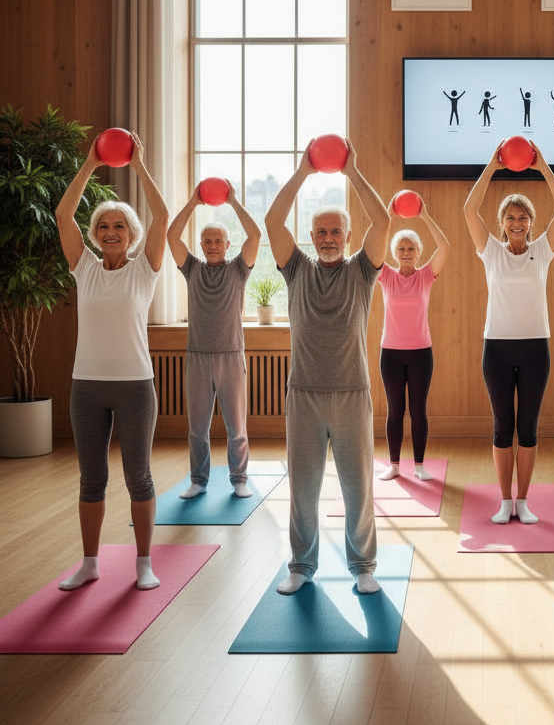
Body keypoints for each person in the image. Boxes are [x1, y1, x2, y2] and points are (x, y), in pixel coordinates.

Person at [264, 138, 390, 596]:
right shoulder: (295, 269)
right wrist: (303, 172)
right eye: (322, 232)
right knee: (303, 488)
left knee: (358, 489)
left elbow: (384, 220)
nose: (330, 238)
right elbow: (272, 221)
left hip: (352, 393)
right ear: (311, 238)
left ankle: (363, 566)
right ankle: (301, 564)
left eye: (337, 232)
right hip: (304, 395)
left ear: (348, 238)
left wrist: (352, 172)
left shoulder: (362, 272)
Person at [54, 132, 169, 591]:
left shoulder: (145, 269)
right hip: (87, 386)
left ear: (131, 235)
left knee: (137, 475)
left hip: (135, 385)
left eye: (119, 226)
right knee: (91, 478)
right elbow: (64, 214)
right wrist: (89, 165)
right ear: (96, 235)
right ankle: (90, 562)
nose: (111, 232)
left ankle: (143, 562)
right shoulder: (83, 267)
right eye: (104, 226)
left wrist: (137, 165)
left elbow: (162, 215)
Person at [464, 140, 554, 524]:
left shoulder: (542, 250)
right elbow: (468, 209)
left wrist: (542, 167)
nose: (516, 223)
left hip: (534, 349)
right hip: (496, 348)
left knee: (527, 427)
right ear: (502, 223)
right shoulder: (489, 251)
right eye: (510, 217)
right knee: (501, 427)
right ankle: (503, 501)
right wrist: (491, 168)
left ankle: (522, 501)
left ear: (531, 222)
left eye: (522, 217)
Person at [167, 182, 261, 500]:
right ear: (202, 244)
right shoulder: (191, 269)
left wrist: (233, 201)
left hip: (230, 356)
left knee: (236, 427)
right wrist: (193, 203)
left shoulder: (238, 270)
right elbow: (171, 237)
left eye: (217, 240)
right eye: (206, 241)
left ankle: (239, 479)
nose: (211, 245)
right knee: (197, 428)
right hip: (196, 356)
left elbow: (255, 236)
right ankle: (198, 480)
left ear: (226, 243)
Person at [377, 197, 449, 482]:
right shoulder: (385, 275)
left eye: (411, 248)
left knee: (418, 410)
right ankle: (394, 465)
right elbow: (370, 245)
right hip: (391, 354)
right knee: (395, 411)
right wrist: (389, 216)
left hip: (421, 353)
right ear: (395, 253)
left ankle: (419, 465)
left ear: (418, 252)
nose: (406, 252)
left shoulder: (426, 275)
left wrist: (426, 215)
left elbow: (445, 247)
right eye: (401, 248)